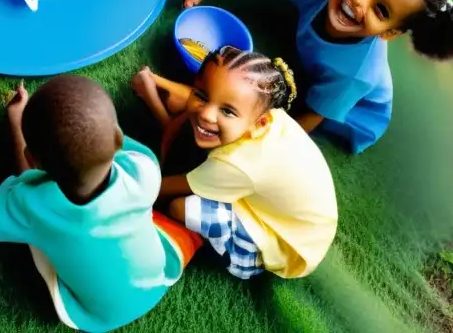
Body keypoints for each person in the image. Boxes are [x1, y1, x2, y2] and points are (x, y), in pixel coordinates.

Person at [173, 0, 453, 154]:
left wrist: (259, 140)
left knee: (287, 107)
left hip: (355, 113)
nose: (359, 3)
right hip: (317, 68)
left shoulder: (355, 74)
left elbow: (311, 117)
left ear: (390, 32)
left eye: (381, 11)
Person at [0, 76, 187, 333]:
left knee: (35, 233)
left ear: (33, 159)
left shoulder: (33, 205)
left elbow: (10, 198)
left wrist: (17, 124)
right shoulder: (144, 170)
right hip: (157, 279)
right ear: (119, 138)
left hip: (99, 315)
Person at [134, 47, 338, 280]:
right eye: (201, 95)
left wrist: (122, 184)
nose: (207, 115)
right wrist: (152, 89)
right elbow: (184, 124)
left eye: (228, 111)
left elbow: (160, 188)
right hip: (291, 213)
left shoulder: (237, 164)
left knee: (179, 207)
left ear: (259, 123)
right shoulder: (260, 114)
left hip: (284, 244)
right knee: (190, 125)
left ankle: (244, 259)